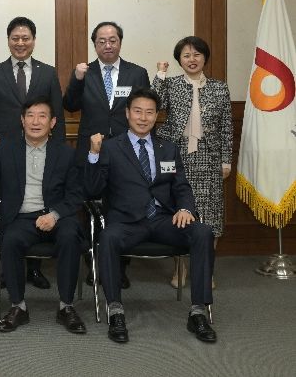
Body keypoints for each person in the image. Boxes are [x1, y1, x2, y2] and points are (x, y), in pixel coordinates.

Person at [85, 88, 216, 344]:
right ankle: (115, 310)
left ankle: (198, 311)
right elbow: (92, 190)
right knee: (108, 237)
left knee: (203, 232)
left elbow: (181, 187)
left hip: (164, 220)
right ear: (127, 113)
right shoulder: (110, 147)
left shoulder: (168, 148)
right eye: (138, 111)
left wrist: (185, 208)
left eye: (149, 112)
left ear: (156, 116)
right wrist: (93, 154)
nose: (143, 118)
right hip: (127, 222)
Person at [0, 96, 85, 334]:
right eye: (30, 116)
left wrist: (54, 215)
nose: (36, 122)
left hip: (56, 217)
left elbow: (76, 194)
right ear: (22, 120)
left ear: (52, 122)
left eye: (42, 116)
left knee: (70, 237)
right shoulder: (5, 149)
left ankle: (66, 306)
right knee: (11, 240)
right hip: (22, 217)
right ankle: (18, 306)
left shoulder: (66, 153)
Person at [0, 16, 65, 289]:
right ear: (8, 41)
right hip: (6, 151)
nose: (20, 43)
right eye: (15, 38)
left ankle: (34, 269)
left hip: (41, 148)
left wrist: (58, 149)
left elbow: (57, 113)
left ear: (34, 41)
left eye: (26, 38)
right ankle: (7, 268)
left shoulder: (48, 72)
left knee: (39, 203)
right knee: (9, 207)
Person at [63, 21, 149, 289]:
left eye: (112, 40)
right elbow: (70, 105)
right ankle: (94, 265)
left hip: (126, 152)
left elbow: (145, 110)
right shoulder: (84, 72)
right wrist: (76, 80)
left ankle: (119, 267)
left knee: (122, 208)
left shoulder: (137, 73)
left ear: (120, 42)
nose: (107, 45)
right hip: (92, 149)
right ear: (94, 44)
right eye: (101, 41)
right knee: (89, 210)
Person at [154, 36, 232, 288]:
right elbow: (154, 103)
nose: (192, 59)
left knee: (210, 218)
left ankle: (206, 271)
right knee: (179, 214)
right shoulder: (172, 84)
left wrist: (226, 160)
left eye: (196, 54)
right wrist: (160, 74)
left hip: (209, 158)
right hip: (177, 156)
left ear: (205, 57)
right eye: (186, 55)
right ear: (179, 60)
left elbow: (226, 127)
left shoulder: (219, 88)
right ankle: (181, 269)